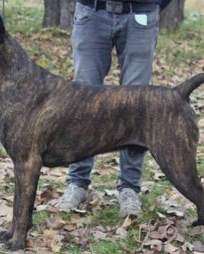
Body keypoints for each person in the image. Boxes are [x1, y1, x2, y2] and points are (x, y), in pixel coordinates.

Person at [56, 0, 172, 216]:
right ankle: (77, 183)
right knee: (83, 105)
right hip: (91, 13)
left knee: (135, 107)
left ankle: (129, 188)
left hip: (141, 14)